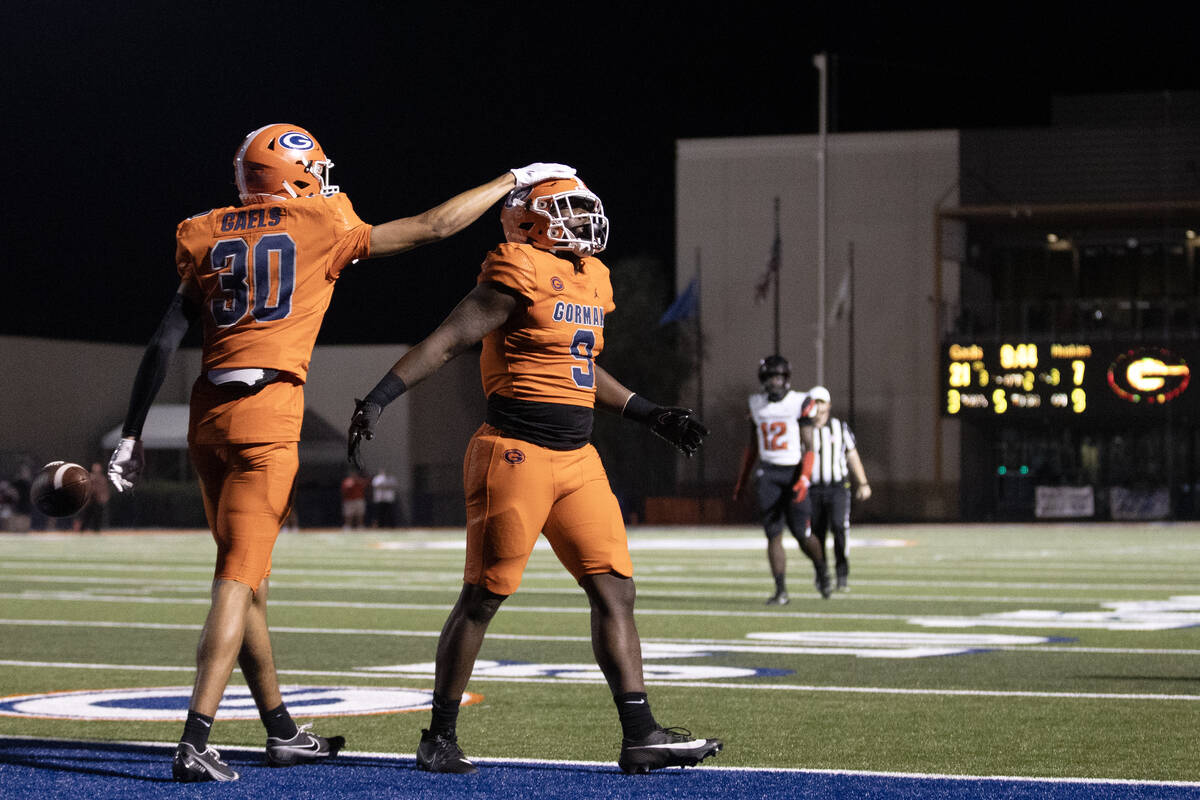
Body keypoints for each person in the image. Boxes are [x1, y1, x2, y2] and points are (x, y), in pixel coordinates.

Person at [104, 121, 575, 782]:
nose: (326, 180)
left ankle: (281, 731)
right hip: (268, 417)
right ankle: (195, 737)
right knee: (237, 580)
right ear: (292, 176)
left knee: (250, 583)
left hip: (208, 416)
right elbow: (435, 226)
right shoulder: (319, 220)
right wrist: (513, 179)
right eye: (315, 171)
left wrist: (131, 431)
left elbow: (163, 341)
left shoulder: (202, 230)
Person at [347, 176, 722, 775]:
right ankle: (438, 736)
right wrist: (379, 397)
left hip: (578, 459)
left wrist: (650, 413)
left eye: (582, 207)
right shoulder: (515, 270)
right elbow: (445, 342)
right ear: (525, 220)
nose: (580, 218)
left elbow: (581, 366)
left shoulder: (591, 277)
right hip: (514, 454)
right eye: (564, 208)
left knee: (615, 588)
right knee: (483, 598)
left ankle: (640, 734)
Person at [733, 355, 830, 604]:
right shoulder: (756, 403)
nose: (774, 382)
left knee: (802, 534)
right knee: (773, 533)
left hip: (794, 471)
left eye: (778, 377)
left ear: (786, 378)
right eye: (770, 377)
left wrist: (805, 478)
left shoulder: (800, 402)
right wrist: (742, 481)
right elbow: (753, 446)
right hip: (768, 473)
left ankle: (821, 569)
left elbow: (809, 446)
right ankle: (781, 590)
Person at [806, 386, 871, 591]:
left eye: (821, 402)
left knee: (839, 528)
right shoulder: (803, 428)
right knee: (816, 534)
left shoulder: (839, 428)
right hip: (812, 489)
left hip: (837, 488)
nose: (818, 406)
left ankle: (842, 575)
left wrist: (863, 482)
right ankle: (822, 574)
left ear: (829, 405)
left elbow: (852, 456)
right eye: (814, 402)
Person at [75, 462, 111, 533]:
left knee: (97, 519)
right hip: (89, 502)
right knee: (85, 518)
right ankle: (81, 532)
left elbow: (104, 491)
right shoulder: (89, 478)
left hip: (98, 502)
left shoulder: (102, 479)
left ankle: (96, 531)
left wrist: (104, 499)